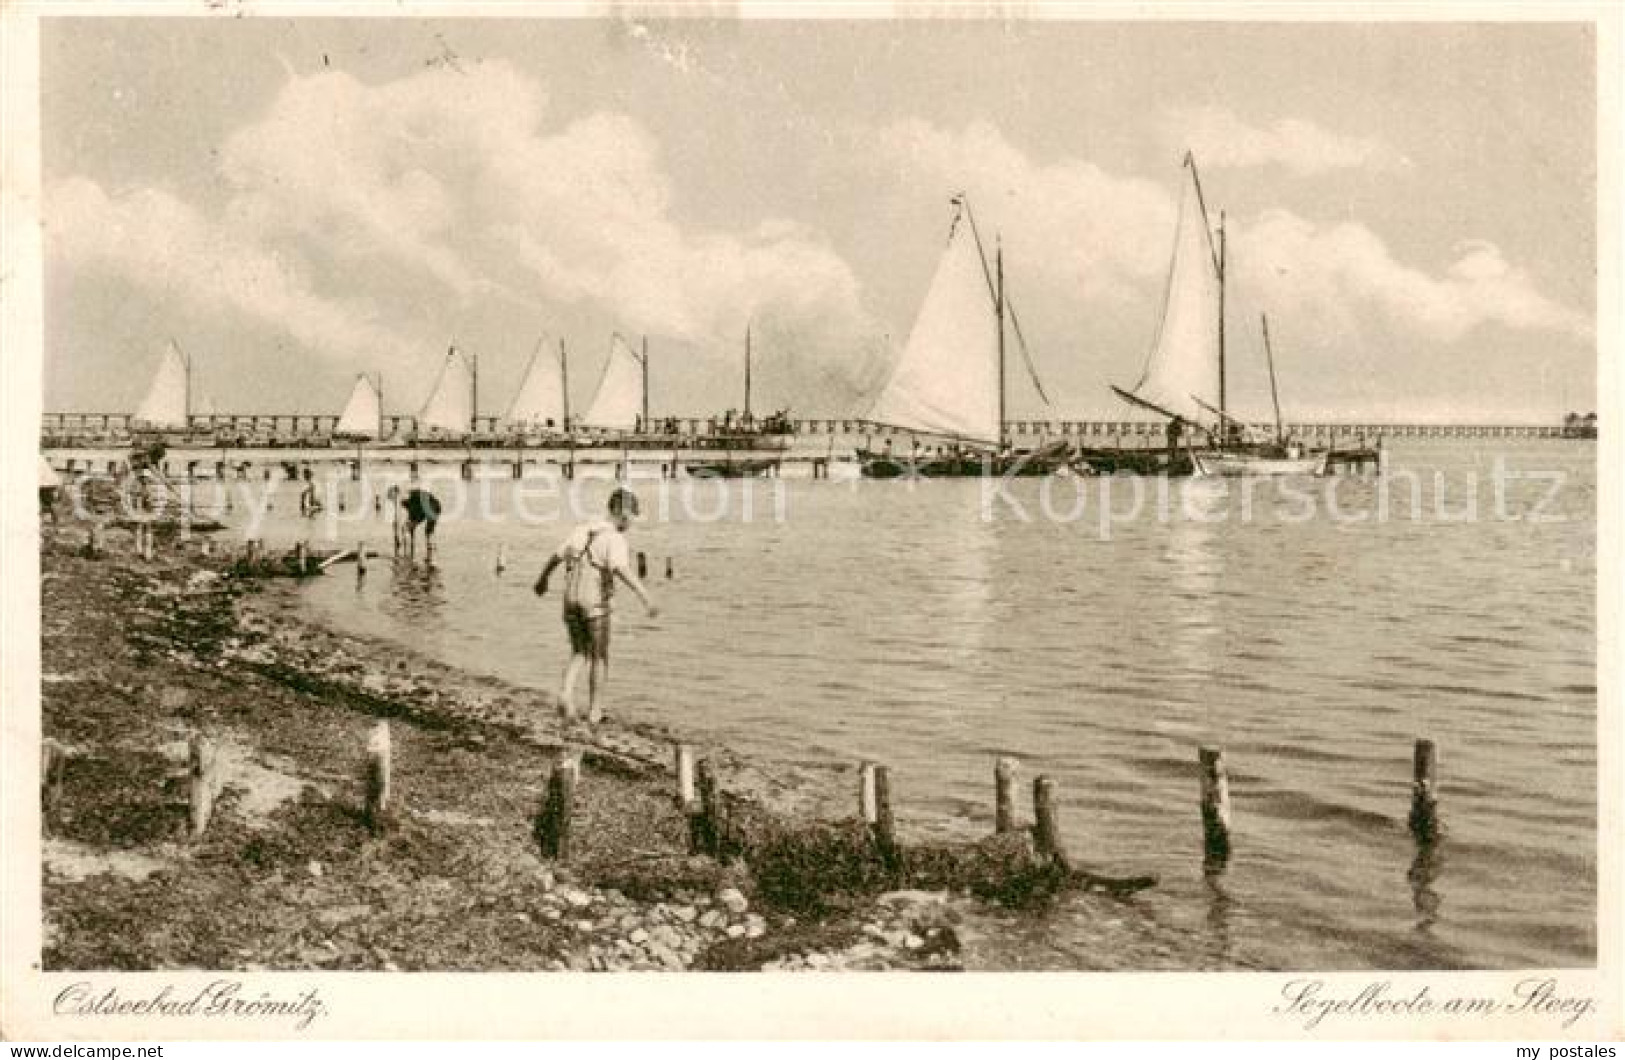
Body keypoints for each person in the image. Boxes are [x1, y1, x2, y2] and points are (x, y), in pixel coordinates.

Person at [534, 487, 658, 725]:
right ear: (622, 512)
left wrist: (542, 579)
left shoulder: (583, 529)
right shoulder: (615, 538)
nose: (632, 522)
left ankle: (566, 693)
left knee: (580, 650)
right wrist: (644, 595)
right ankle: (595, 711)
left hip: (570, 600)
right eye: (632, 516)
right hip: (594, 603)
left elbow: (556, 557)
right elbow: (620, 569)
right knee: (600, 656)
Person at [390, 485, 442, 557]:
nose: (394, 501)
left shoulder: (406, 499)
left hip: (429, 506)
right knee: (427, 532)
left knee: (409, 528)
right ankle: (428, 548)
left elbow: (409, 514)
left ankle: (410, 548)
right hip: (433, 506)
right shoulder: (407, 497)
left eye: (393, 498)